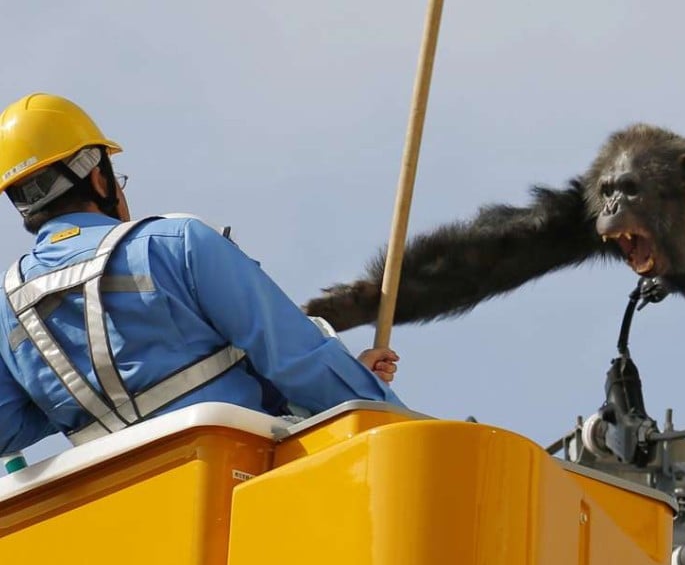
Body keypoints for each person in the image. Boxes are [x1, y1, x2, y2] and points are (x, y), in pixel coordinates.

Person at [0, 92, 402, 456]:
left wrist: (77, 398)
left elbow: (7, 427)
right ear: (97, 176)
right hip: (235, 481)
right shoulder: (175, 244)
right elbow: (299, 361)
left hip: (121, 513)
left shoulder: (9, 308)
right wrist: (378, 410)